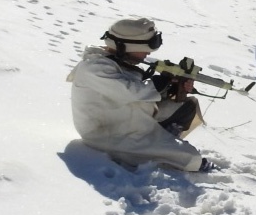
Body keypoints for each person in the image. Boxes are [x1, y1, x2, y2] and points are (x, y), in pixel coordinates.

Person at [68, 17, 217, 172]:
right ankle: (162, 148)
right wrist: (160, 83)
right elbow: (132, 91)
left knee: (187, 106)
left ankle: (164, 140)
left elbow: (137, 90)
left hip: (127, 118)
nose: (148, 53)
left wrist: (172, 87)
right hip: (109, 134)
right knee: (191, 159)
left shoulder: (115, 61)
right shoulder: (94, 68)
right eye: (145, 48)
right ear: (125, 46)